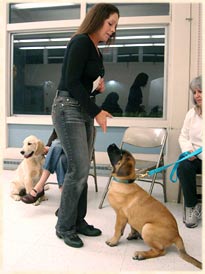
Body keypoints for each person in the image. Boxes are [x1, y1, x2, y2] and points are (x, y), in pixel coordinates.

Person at [51, 3, 120, 248]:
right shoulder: (80, 41)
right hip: (67, 108)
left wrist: (96, 88)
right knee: (78, 170)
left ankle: (78, 221)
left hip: (82, 109)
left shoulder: (95, 49)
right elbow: (70, 81)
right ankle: (64, 226)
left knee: (82, 170)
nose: (112, 29)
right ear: (97, 19)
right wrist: (97, 111)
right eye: (110, 23)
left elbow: (81, 82)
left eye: (115, 26)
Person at [177, 76, 202, 228]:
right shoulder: (191, 114)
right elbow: (183, 136)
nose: (197, 95)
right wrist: (188, 151)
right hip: (195, 158)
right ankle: (192, 207)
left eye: (200, 91)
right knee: (184, 166)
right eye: (194, 92)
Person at [21, 129, 66, 204]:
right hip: (61, 150)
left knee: (56, 144)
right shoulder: (62, 119)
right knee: (60, 159)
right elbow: (56, 132)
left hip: (79, 148)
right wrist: (48, 146)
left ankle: (39, 186)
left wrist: (51, 148)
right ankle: (64, 195)